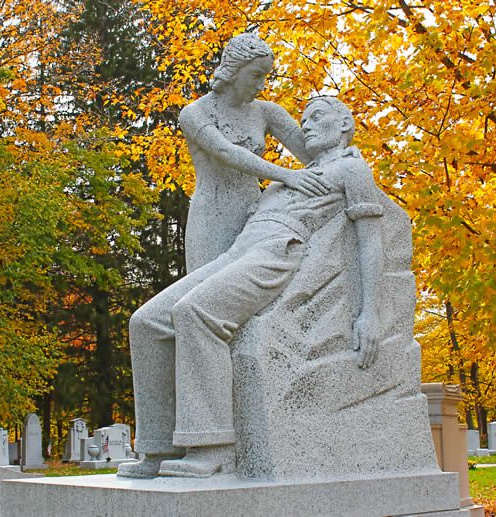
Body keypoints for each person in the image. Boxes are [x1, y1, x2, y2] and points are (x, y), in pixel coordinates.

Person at [118, 97, 385, 479]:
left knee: (196, 312)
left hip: (277, 252)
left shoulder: (352, 170)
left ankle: (212, 448)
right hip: (237, 251)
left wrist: (369, 313)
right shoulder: (289, 176)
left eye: (317, 117)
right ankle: (158, 448)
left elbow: (370, 238)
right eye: (303, 119)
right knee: (146, 323)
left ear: (345, 124)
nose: (306, 124)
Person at [179, 33, 329, 272]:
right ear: (234, 70)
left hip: (255, 214)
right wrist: (289, 175)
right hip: (212, 217)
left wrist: (342, 154)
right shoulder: (196, 113)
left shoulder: (266, 112)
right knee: (206, 292)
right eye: (255, 75)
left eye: (265, 77)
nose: (261, 85)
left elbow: (312, 153)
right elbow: (225, 151)